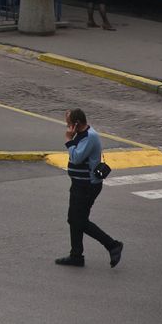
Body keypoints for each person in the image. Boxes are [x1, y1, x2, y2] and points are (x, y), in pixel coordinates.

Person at [55, 107, 123, 268]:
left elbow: (77, 157)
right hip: (78, 184)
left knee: (78, 220)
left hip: (87, 186)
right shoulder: (81, 134)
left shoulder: (89, 137)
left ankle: (112, 245)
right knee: (74, 220)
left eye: (69, 124)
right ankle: (76, 255)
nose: (67, 127)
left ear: (76, 123)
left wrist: (68, 140)